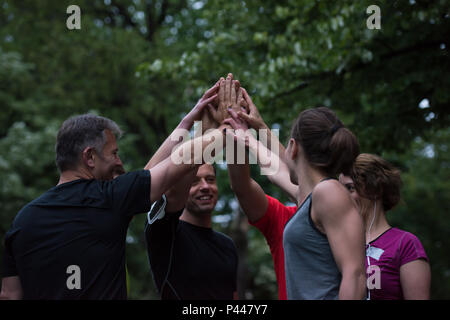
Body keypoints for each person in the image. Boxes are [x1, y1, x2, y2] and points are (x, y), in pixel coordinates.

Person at [0, 80, 227, 299]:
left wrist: (186, 123)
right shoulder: (108, 199)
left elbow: (9, 294)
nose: (118, 162)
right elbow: (172, 167)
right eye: (114, 153)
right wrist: (227, 129)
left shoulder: (22, 221)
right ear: (90, 156)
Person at [225, 102, 366, 299]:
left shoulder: (329, 191)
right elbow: (276, 172)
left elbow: (356, 275)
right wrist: (247, 136)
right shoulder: (312, 198)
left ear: (293, 147)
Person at [339, 153, 431, 300]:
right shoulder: (335, 242)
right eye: (340, 190)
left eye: (350, 188)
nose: (342, 196)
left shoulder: (405, 243)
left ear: (375, 189)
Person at [144, 163, 238, 300]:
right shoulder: (165, 233)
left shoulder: (227, 245)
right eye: (194, 181)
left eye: (210, 179)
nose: (205, 187)